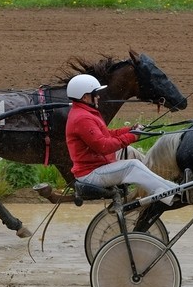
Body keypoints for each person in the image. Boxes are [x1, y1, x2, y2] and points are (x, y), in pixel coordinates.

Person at [65, 74, 179, 205]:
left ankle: (161, 181)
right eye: (95, 93)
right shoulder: (82, 118)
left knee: (130, 152)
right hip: (90, 174)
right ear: (85, 97)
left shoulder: (85, 113)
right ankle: (169, 194)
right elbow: (103, 146)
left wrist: (129, 130)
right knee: (132, 166)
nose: (98, 96)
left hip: (97, 163)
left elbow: (106, 134)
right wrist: (132, 136)